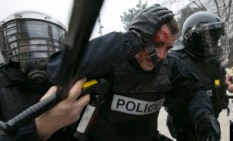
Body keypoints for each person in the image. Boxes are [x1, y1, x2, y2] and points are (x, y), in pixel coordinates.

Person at [47, 4, 220, 141]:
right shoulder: (111, 58)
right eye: (157, 44)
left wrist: (204, 115)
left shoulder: (170, 65)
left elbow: (194, 90)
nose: (161, 56)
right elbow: (58, 70)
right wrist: (130, 40)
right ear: (139, 37)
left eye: (168, 48)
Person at [0, 10, 90, 141]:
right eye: (27, 39)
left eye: (44, 39)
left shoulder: (67, 82)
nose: (36, 45)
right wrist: (41, 128)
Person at [165, 11, 229, 141]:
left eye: (215, 38)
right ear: (194, 38)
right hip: (186, 128)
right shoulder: (176, 62)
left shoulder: (213, 62)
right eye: (208, 38)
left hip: (211, 120)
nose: (213, 43)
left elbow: (218, 84)